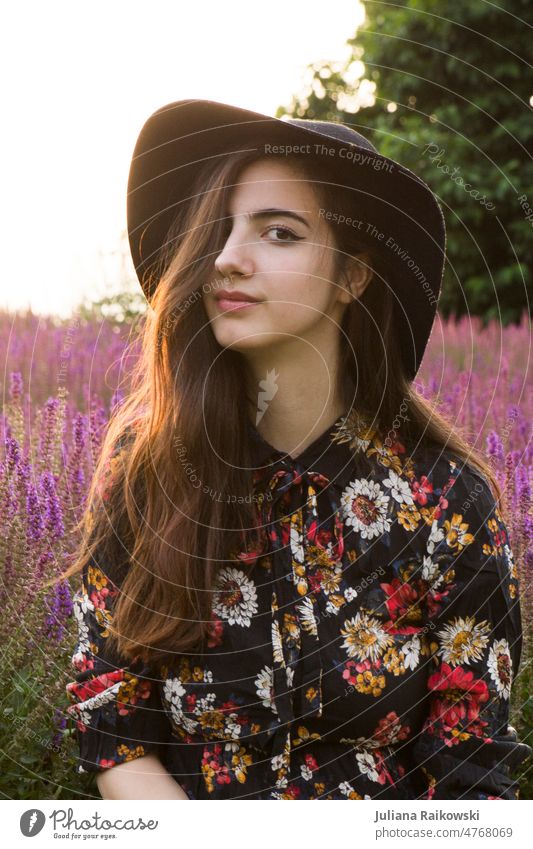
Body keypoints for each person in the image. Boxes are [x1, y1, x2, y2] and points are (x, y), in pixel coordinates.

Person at [60, 99, 530, 799]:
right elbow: (109, 713)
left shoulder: (445, 503)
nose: (225, 259)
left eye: (278, 232)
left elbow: (470, 771)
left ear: (352, 275)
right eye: (218, 230)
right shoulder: (148, 471)